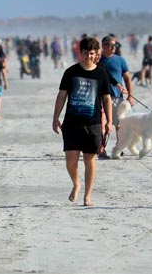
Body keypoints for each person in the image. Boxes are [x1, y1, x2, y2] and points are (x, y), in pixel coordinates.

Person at [52, 37, 112, 207]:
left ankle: (88, 195)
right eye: (85, 53)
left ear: (95, 54)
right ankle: (76, 183)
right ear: (81, 53)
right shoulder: (71, 72)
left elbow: (106, 98)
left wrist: (108, 121)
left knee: (89, 159)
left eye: (91, 53)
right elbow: (62, 95)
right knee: (71, 161)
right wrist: (56, 117)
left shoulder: (101, 73)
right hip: (71, 123)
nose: (88, 57)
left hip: (92, 123)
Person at [99, 35, 134, 158]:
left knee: (119, 125)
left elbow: (127, 79)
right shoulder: (98, 59)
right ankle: (101, 148)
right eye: (110, 45)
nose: (113, 47)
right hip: (100, 97)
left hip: (117, 97)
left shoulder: (120, 60)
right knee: (102, 124)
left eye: (115, 45)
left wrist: (130, 96)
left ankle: (119, 148)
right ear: (103, 46)